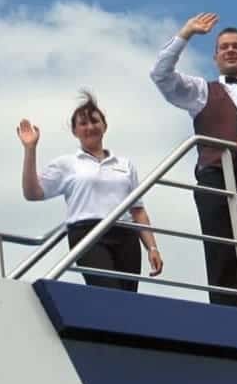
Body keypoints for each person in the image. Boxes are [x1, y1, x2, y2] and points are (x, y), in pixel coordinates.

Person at [150, 12, 237, 310]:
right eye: (224, 46)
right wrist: (186, 33)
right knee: (222, 256)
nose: (230, 50)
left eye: (236, 46)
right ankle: (227, 324)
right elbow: (161, 75)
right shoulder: (202, 92)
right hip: (215, 179)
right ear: (215, 57)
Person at [19, 93, 162, 291]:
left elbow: (138, 211)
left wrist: (152, 247)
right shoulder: (67, 164)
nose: (90, 127)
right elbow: (32, 193)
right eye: (83, 123)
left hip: (125, 235)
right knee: (108, 293)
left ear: (104, 126)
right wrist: (30, 149)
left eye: (95, 121)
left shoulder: (125, 165)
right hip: (87, 233)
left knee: (128, 299)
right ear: (75, 131)